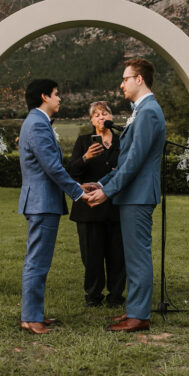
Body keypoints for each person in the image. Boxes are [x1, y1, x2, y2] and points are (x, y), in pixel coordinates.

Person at [84, 58, 166, 332]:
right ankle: (134, 309)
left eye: (125, 79)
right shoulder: (141, 111)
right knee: (132, 255)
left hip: (138, 195)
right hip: (132, 194)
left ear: (139, 79)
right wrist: (101, 183)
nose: (121, 85)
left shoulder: (149, 112)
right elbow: (125, 161)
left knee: (138, 255)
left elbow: (134, 162)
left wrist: (107, 192)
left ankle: (139, 316)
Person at [18, 79, 86, 335]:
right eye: (57, 94)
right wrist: (78, 193)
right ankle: (30, 318)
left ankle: (34, 313)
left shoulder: (37, 122)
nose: (60, 99)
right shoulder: (37, 124)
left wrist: (78, 185)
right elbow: (52, 167)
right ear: (44, 97)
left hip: (42, 201)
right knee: (37, 261)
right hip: (41, 202)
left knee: (39, 261)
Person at [67, 101, 125, 308]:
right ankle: (93, 295)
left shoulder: (122, 141)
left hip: (116, 205)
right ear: (91, 120)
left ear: (111, 117)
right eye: (97, 115)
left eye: (105, 113)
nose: (101, 117)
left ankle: (116, 296)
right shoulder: (83, 142)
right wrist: (86, 157)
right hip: (89, 207)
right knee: (91, 255)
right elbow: (71, 172)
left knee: (117, 254)